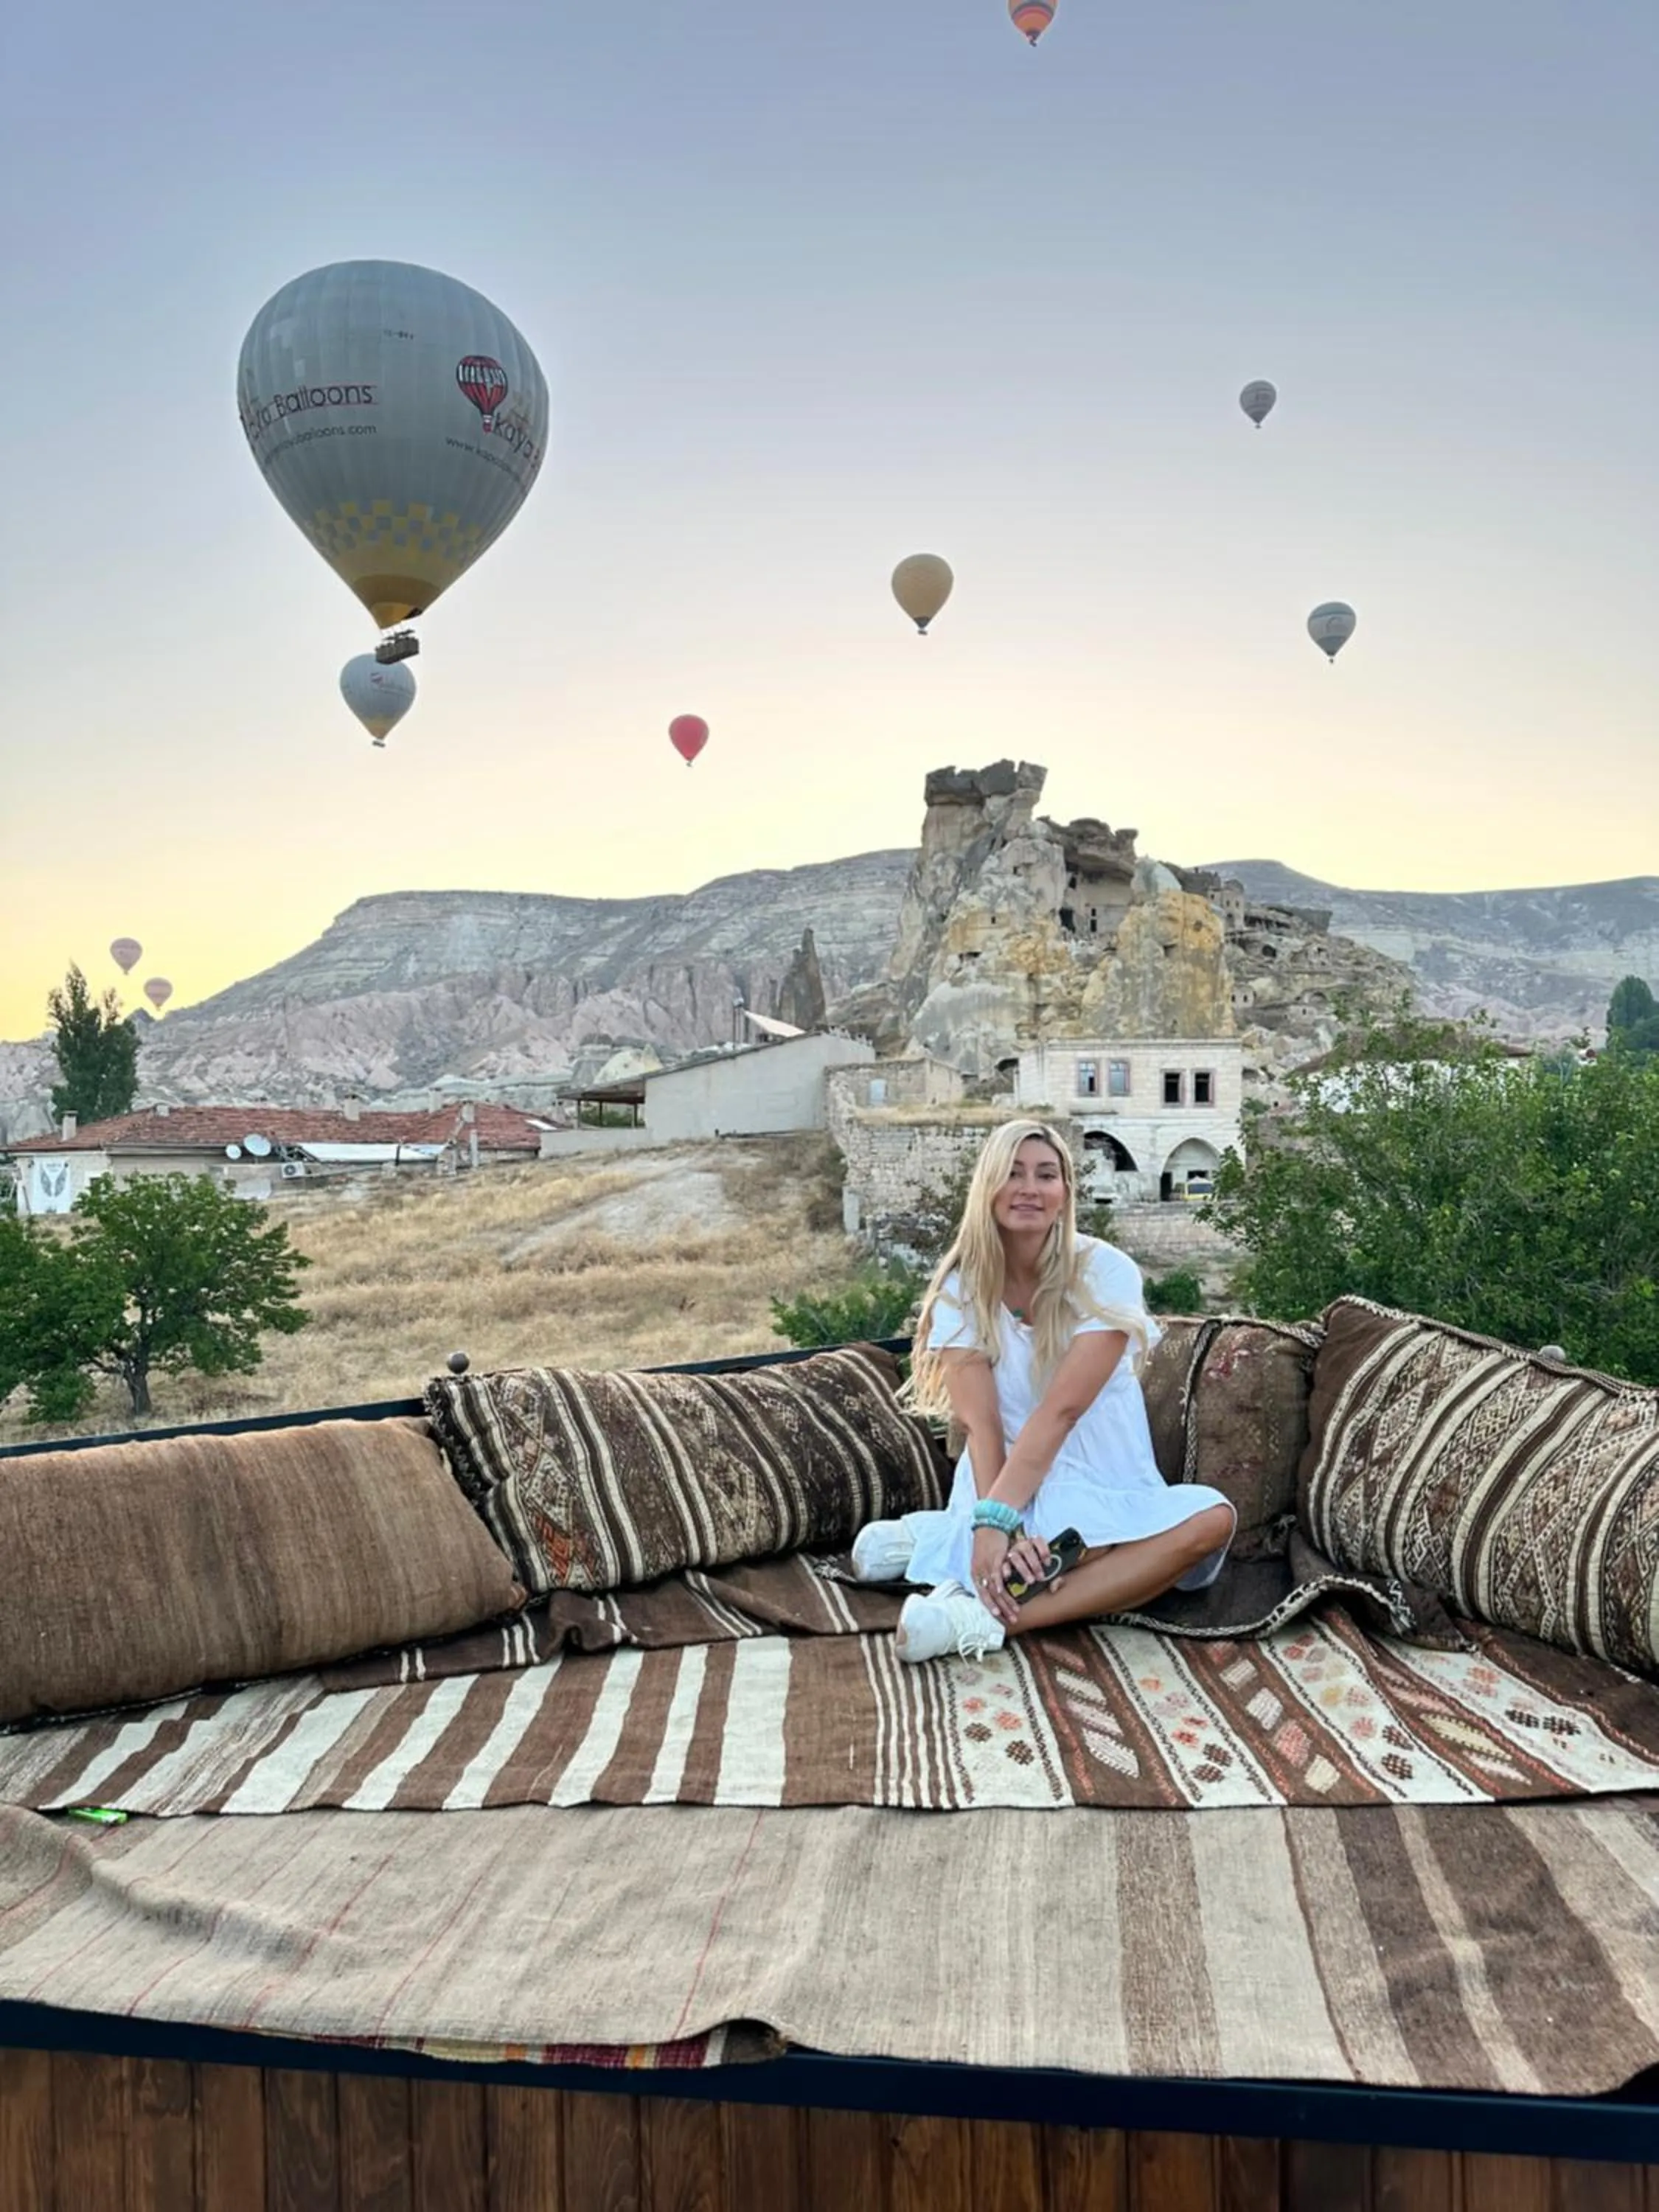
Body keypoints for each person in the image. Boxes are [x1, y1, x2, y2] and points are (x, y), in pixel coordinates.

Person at [852, 1119, 1235, 1663]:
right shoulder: (962, 1289)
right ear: (987, 1187)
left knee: (1211, 1520)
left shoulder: (1106, 1272)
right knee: (1055, 1552)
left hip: (1102, 1474)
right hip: (1003, 1476)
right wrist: (996, 1521)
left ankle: (979, 1616)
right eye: (1012, 1173)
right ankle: (953, 1545)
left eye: (1046, 1175)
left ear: (1065, 1194)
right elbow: (982, 1425)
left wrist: (997, 1526)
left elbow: (1062, 1412)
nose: (1029, 1188)